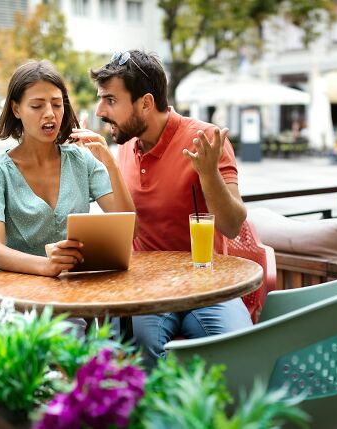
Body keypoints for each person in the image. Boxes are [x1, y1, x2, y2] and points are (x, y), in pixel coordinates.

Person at [76, 50, 251, 367]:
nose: (100, 110)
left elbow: (232, 225)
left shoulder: (205, 139)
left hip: (207, 283)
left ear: (145, 103)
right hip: (147, 288)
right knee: (134, 355)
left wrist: (208, 173)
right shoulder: (124, 144)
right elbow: (124, 223)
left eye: (111, 100)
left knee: (242, 354)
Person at [0, 60, 135, 277]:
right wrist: (46, 266)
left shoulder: (81, 161)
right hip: (13, 296)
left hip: (71, 293)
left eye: (57, 104)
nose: (50, 113)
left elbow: (130, 230)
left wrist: (110, 163)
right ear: (16, 109)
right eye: (37, 105)